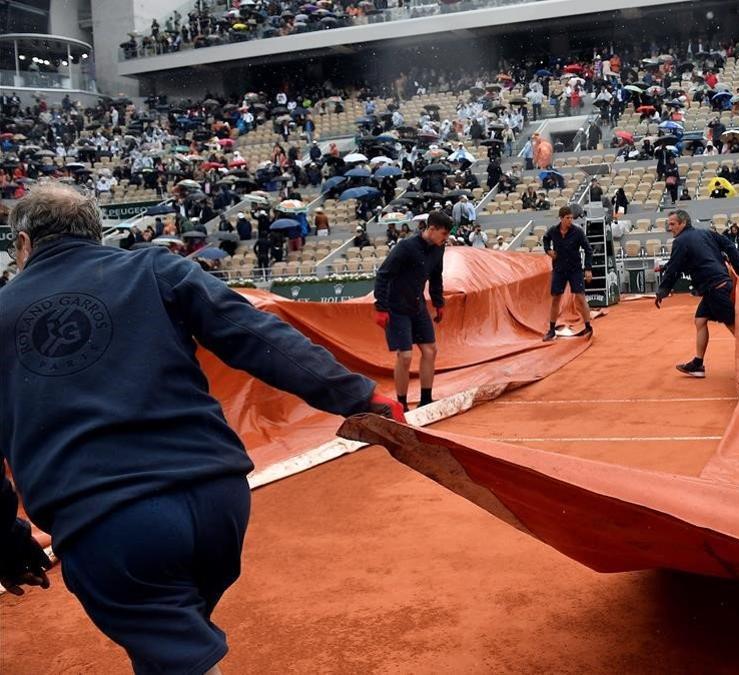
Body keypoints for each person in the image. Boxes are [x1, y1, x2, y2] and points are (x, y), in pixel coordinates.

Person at [0, 186, 405, 675]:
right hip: (219, 501)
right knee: (169, 640)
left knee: (176, 653)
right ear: (96, 234)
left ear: (23, 243)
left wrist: (8, 538)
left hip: (107, 522)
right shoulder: (153, 267)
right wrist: (359, 396)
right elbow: (255, 336)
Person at [654, 210, 739, 379]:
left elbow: (675, 269)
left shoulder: (680, 241)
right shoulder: (705, 233)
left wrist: (663, 290)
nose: (670, 228)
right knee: (700, 320)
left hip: (716, 289)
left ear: (683, 223)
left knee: (736, 328)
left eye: (673, 224)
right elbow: (729, 246)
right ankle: (698, 364)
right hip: (715, 287)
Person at [373, 211, 450, 410]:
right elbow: (383, 275)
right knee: (405, 356)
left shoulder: (438, 249)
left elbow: (436, 277)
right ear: (431, 229)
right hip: (396, 306)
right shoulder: (405, 247)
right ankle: (401, 404)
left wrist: (438, 303)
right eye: (443, 234)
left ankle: (425, 400)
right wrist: (381, 307)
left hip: (417, 305)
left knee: (430, 350)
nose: (446, 238)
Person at [541, 206, 593, 341]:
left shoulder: (578, 232)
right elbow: (545, 239)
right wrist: (548, 250)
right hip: (559, 269)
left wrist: (588, 269)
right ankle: (551, 330)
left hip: (575, 269)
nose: (570, 220)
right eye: (567, 218)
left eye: (571, 218)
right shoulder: (553, 231)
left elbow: (588, 249)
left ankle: (588, 326)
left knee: (580, 297)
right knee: (556, 299)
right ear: (561, 218)